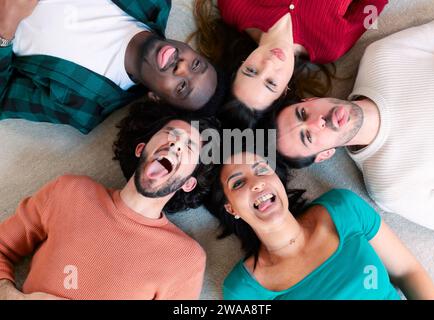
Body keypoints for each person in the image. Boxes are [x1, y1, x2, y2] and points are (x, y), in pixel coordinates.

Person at [0, 107, 219, 299]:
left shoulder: (186, 259)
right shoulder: (70, 190)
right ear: (140, 149)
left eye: (189, 147)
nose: (175, 145)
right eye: (170, 135)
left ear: (188, 184)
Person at [275, 19, 434, 233]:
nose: (317, 121)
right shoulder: (390, 188)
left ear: (310, 101)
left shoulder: (382, 57)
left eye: (303, 113)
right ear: (324, 155)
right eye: (308, 136)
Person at [206, 150, 434, 300]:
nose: (257, 184)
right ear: (231, 208)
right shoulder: (244, 290)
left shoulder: (343, 207)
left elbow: (408, 272)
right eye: (238, 183)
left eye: (262, 170)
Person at [0, 0, 225, 134]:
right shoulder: (154, 3)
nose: (182, 67)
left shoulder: (84, 105)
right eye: (196, 64)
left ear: (156, 98)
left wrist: (6, 26)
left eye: (182, 87)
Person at [193, 0, 388, 127]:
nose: (269, 63)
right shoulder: (331, 45)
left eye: (251, 71)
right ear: (285, 90)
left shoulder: (233, 7)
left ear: (242, 63)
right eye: (271, 83)